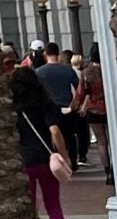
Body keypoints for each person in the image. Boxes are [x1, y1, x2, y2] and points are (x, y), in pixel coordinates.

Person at [11, 60, 73, 219]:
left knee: (29, 208)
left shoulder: (12, 107)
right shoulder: (45, 103)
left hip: (24, 161)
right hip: (46, 161)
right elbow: (55, 131)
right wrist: (64, 155)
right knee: (54, 206)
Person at [35, 45, 84, 173]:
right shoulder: (68, 70)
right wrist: (76, 104)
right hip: (67, 106)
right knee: (70, 136)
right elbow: (79, 89)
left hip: (49, 107)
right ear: (58, 53)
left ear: (46, 53)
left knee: (52, 136)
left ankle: (57, 162)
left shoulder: (39, 72)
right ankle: (73, 162)